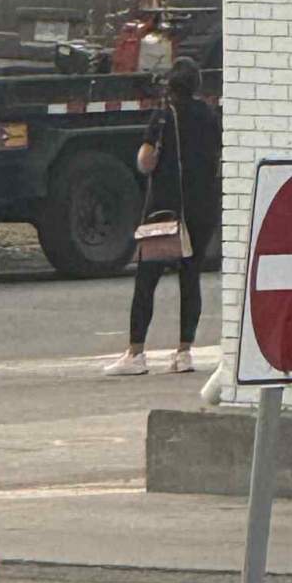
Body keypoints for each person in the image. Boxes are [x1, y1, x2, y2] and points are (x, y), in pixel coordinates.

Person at [103, 56, 221, 376]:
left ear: (171, 85)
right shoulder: (211, 116)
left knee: (147, 279)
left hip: (164, 210)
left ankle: (136, 353)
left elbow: (146, 161)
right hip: (201, 208)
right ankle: (184, 353)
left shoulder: (163, 117)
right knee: (190, 277)